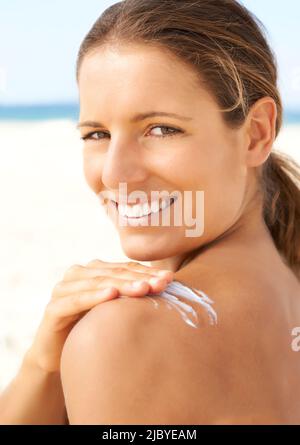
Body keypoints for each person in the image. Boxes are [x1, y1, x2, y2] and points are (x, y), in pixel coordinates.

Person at [1, 0, 300, 425]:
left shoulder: (121, 334)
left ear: (256, 133)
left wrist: (44, 364)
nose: (115, 172)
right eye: (97, 134)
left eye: (161, 129)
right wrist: (43, 363)